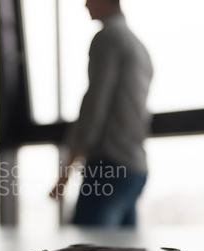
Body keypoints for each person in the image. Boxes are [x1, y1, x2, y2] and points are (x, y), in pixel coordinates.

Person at [51, 0, 153, 227]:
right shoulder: (138, 46)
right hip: (135, 167)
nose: (85, 4)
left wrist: (66, 170)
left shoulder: (106, 38)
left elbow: (94, 105)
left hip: (109, 166)